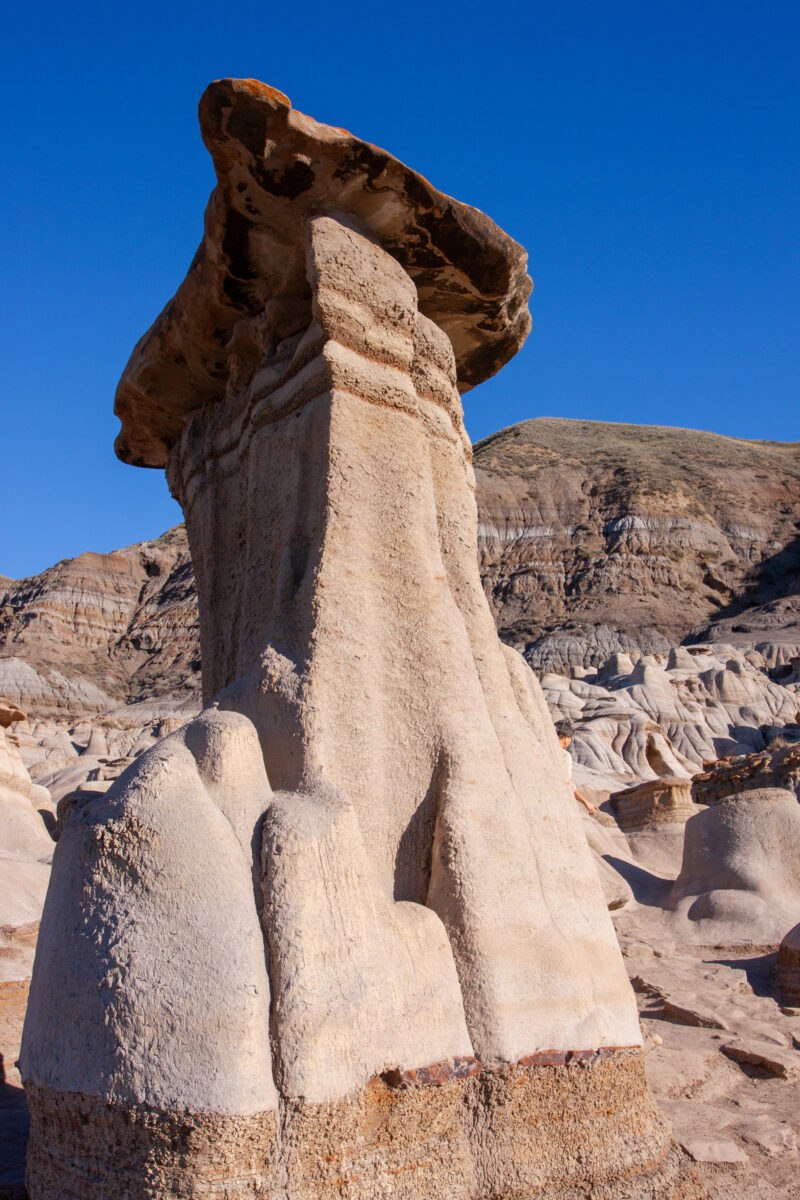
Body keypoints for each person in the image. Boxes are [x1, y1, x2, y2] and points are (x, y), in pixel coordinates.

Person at [554, 719, 598, 816]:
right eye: (570, 738)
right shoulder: (565, 756)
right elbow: (568, 783)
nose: (570, 742)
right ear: (565, 737)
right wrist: (586, 802)